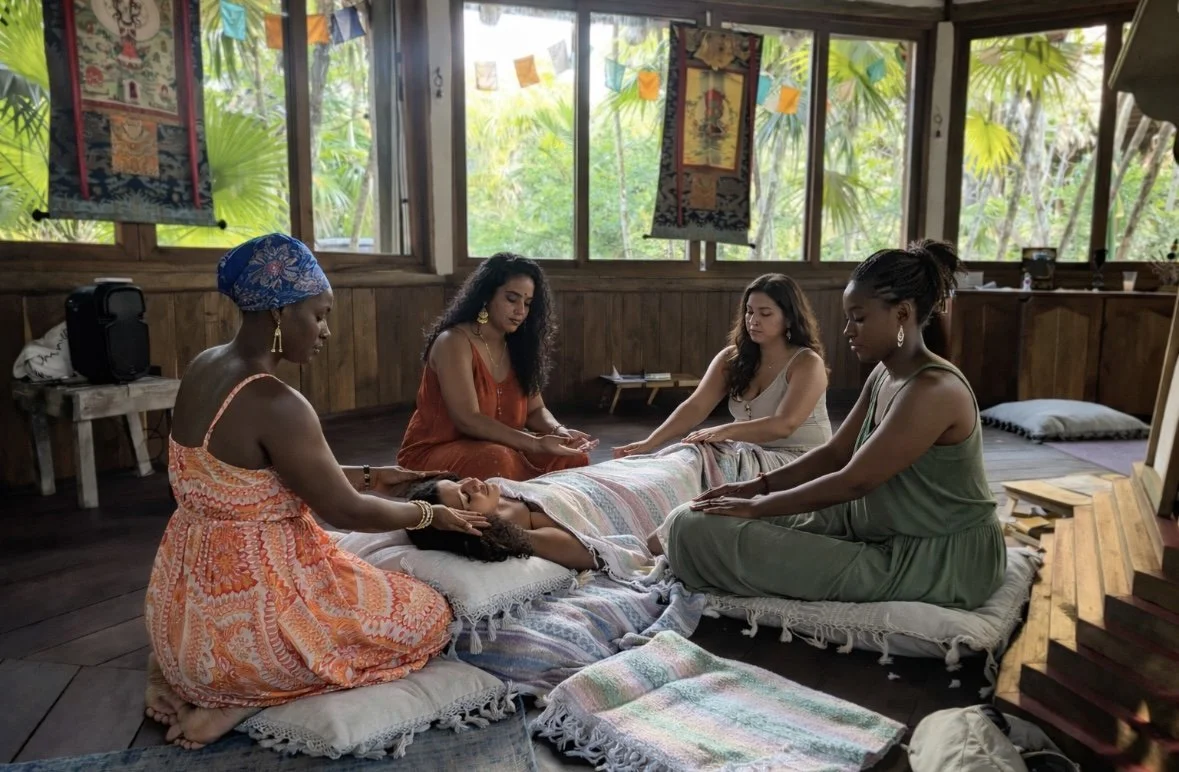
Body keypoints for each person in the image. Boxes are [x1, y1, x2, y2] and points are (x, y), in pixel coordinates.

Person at [143, 234, 489, 750]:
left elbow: (256, 476)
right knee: (427, 615)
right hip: (248, 628)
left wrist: (373, 474)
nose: (326, 331)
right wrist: (426, 515)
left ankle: (176, 675)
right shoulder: (276, 401)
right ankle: (250, 694)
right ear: (280, 312)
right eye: (319, 315)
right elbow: (342, 509)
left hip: (181, 618)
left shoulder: (206, 365)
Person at [660, 240, 1006, 611]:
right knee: (689, 521)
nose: (847, 331)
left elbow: (854, 479)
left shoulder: (934, 390)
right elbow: (835, 453)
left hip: (933, 558)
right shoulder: (885, 374)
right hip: (872, 524)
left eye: (859, 318)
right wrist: (753, 488)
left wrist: (759, 507)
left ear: (902, 314)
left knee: (699, 536)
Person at [397, 253, 596, 481]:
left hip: (503, 446)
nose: (521, 310)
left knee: (572, 457)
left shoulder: (519, 346)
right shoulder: (453, 342)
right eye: (512, 299)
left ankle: (534, 510)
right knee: (497, 459)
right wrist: (535, 443)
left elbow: (535, 410)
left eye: (528, 303)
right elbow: (468, 419)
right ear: (486, 296)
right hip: (436, 451)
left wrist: (558, 432)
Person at [613, 274, 831, 458]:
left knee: (712, 460)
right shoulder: (732, 358)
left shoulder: (807, 363)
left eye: (765, 313)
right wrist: (650, 443)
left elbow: (785, 424)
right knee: (688, 454)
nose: (753, 320)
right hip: (749, 452)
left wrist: (725, 431)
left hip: (801, 458)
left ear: (790, 319)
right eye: (749, 311)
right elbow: (695, 406)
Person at [401, 474, 599, 571]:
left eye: (459, 483)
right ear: (471, 525)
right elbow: (589, 555)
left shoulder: (496, 490)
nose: (471, 484)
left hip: (580, 481)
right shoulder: (516, 529)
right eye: (466, 498)